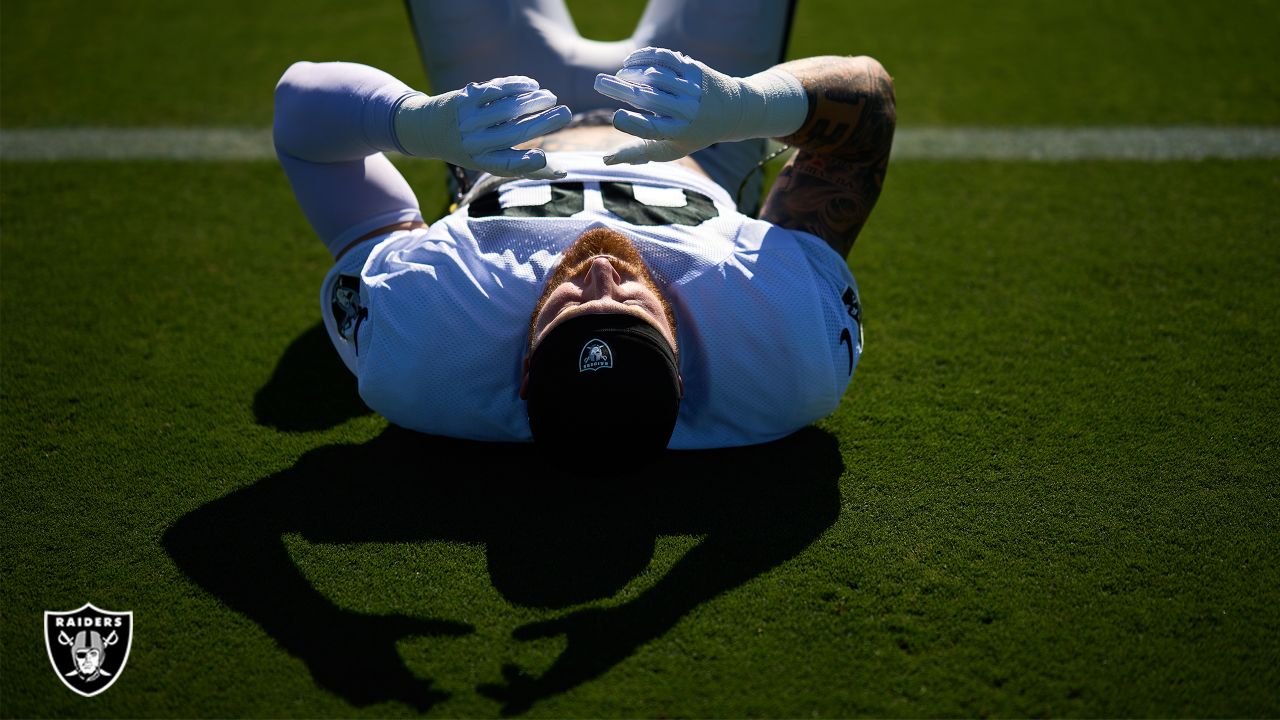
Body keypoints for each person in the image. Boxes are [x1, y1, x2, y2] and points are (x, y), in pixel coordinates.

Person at [273, 0, 895, 453]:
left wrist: (414, 124)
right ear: (682, 358)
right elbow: (868, 107)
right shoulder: (781, 348)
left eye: (569, 309)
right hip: (699, 135)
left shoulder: (430, 328)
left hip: (510, 125)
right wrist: (743, 106)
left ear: (521, 368)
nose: (600, 275)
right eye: (631, 309)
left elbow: (300, 111)